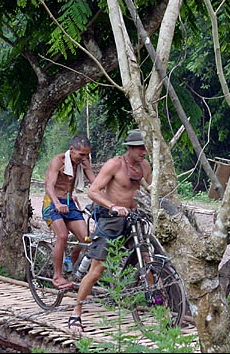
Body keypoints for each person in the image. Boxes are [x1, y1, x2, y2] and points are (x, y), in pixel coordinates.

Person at [68, 129, 152, 332]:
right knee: (97, 270)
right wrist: (113, 206)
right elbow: (93, 191)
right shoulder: (115, 164)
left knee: (148, 262)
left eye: (145, 148)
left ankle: (162, 306)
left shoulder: (145, 167)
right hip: (111, 220)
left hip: (134, 219)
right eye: (140, 148)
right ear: (130, 148)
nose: (144, 152)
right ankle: (76, 313)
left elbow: (151, 190)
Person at [42, 135, 96, 290]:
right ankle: (57, 276)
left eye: (87, 155)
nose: (84, 158)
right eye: (81, 155)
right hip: (52, 202)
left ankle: (70, 261)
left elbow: (95, 182)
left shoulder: (83, 163)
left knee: (86, 238)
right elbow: (49, 186)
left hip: (69, 203)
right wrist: (57, 203)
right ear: (71, 150)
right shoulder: (58, 161)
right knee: (62, 235)